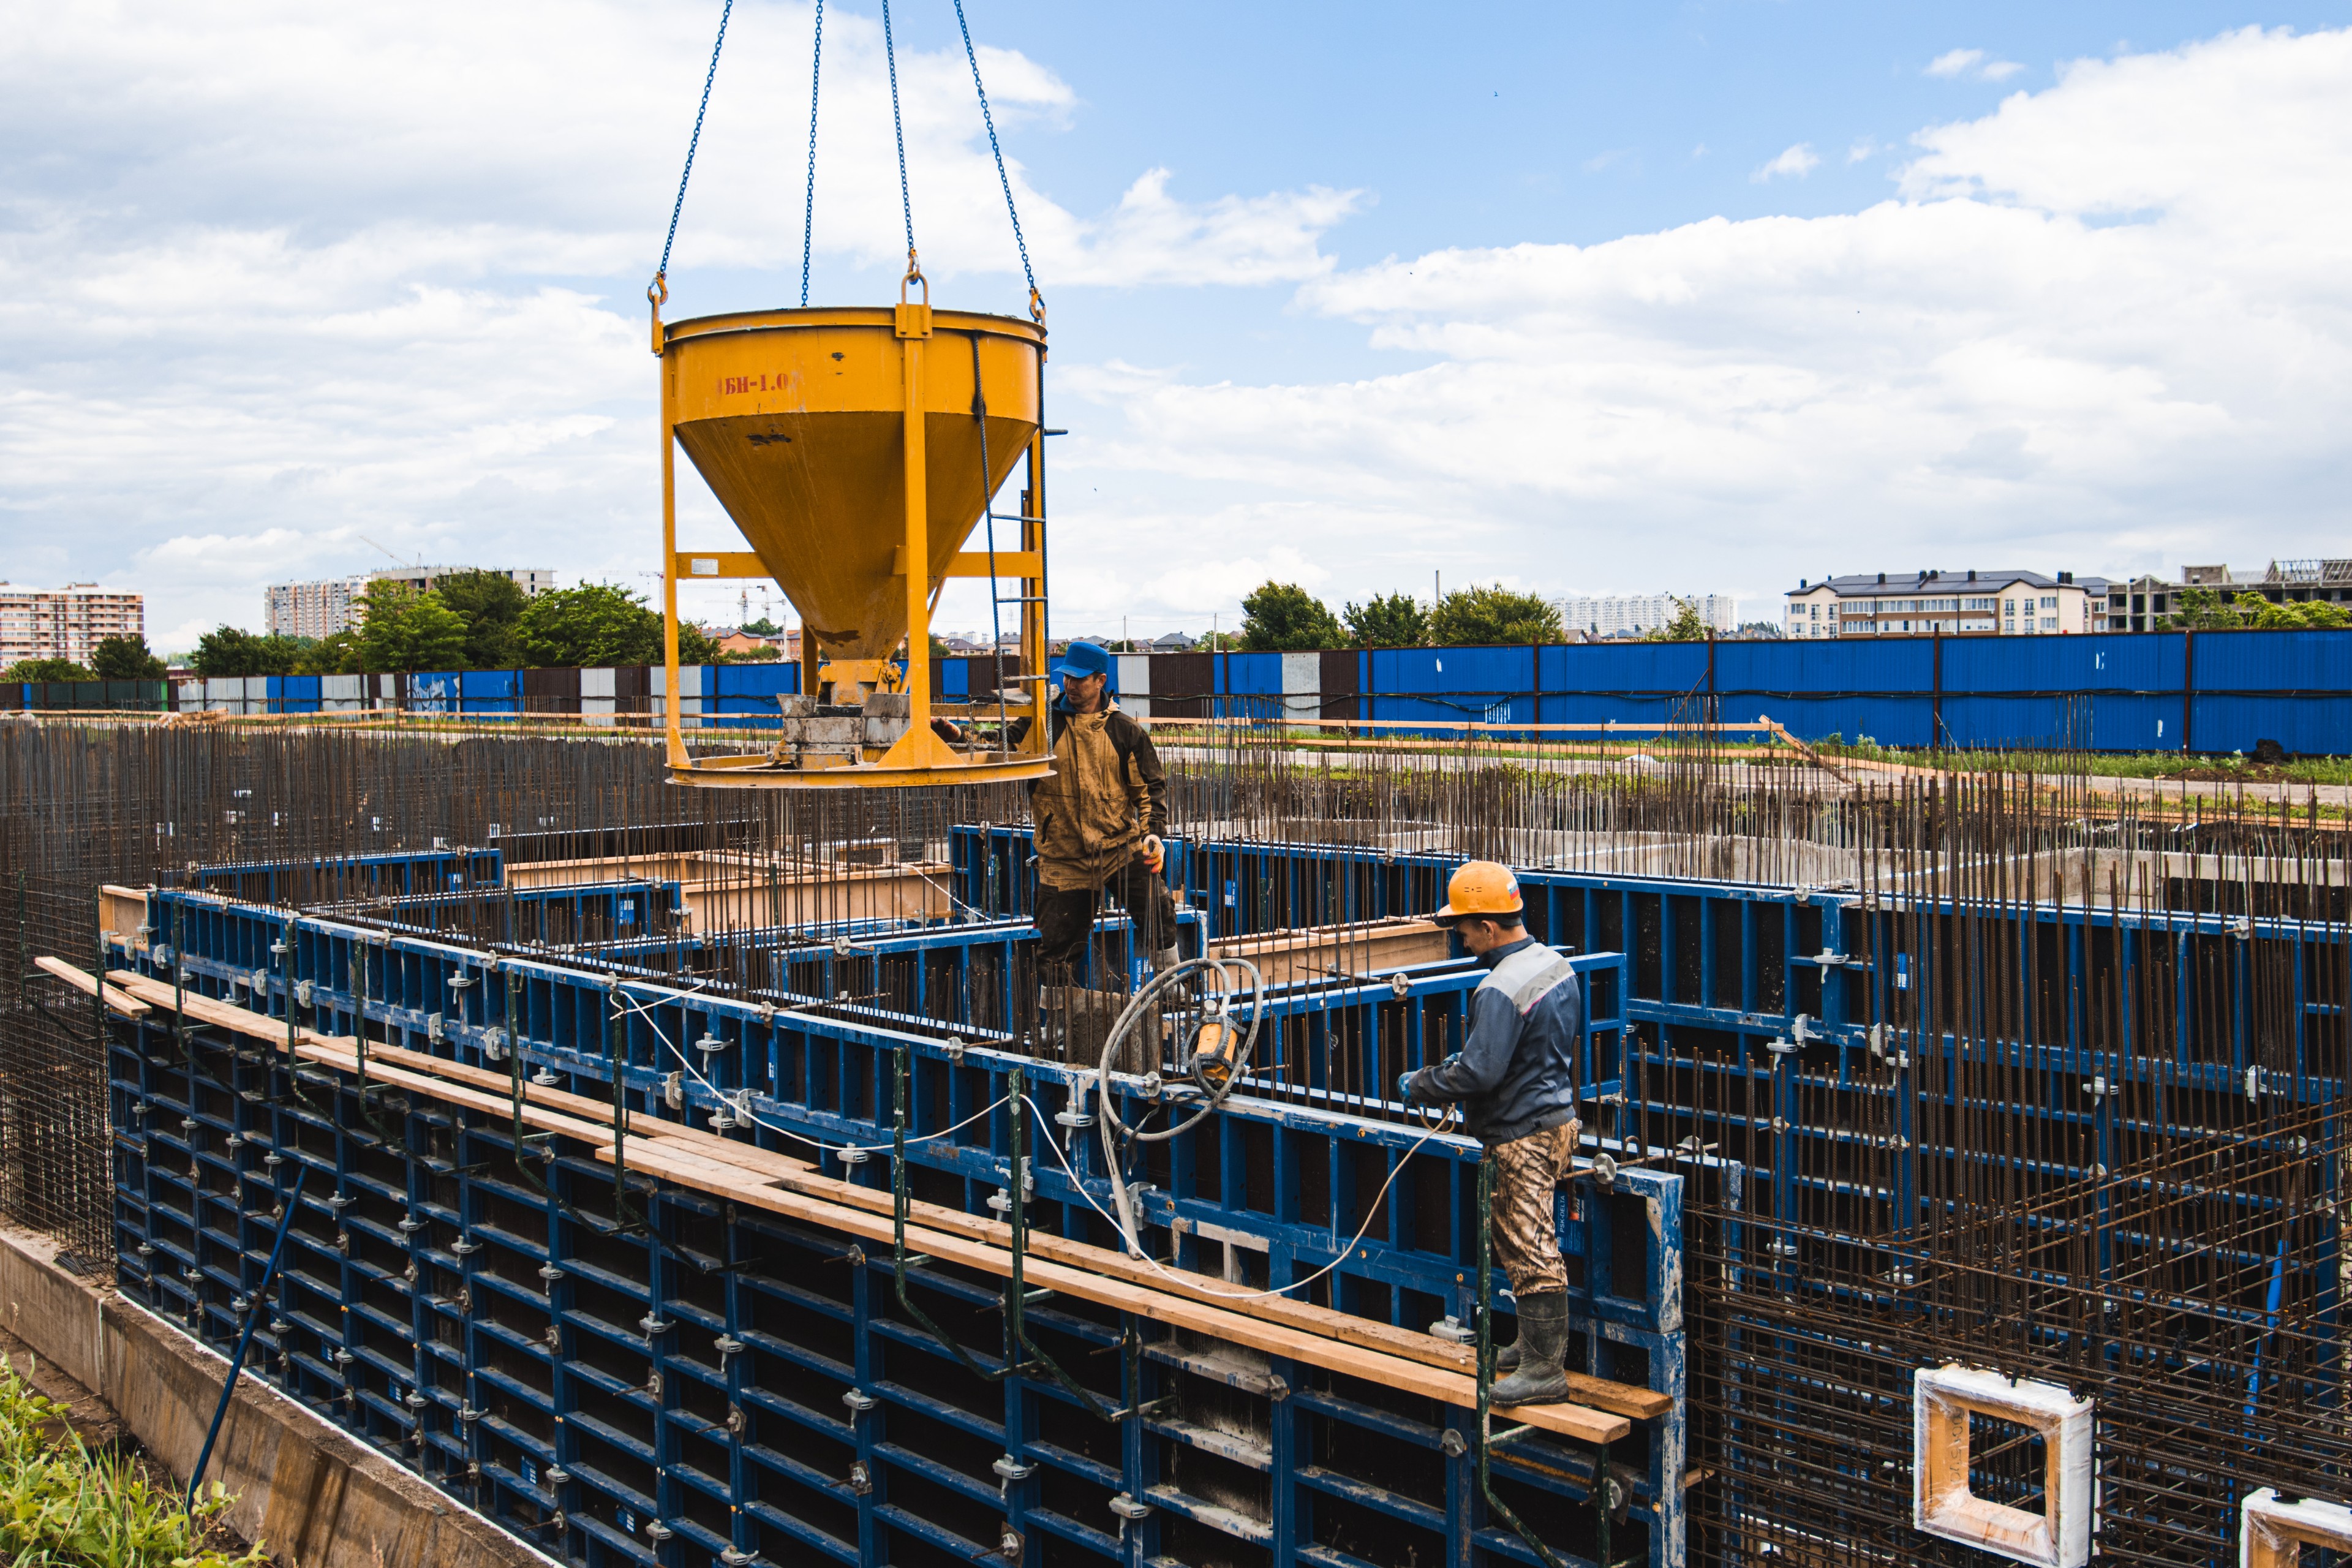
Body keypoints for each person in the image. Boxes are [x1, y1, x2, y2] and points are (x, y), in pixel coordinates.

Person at [1395, 860, 1582, 1406]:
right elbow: (1535, 1049)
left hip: (1522, 1133)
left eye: (1464, 927)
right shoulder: (1554, 964)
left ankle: (1546, 1370)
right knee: (1517, 1237)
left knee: (1530, 1244)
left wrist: (1424, 1082)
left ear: (1490, 927)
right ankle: (1530, 1346)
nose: (1460, 936)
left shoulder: (1499, 986)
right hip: (1555, 1117)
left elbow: (1480, 1073)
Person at [934, 639, 1179, 987]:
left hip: (1119, 848)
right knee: (1057, 945)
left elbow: (1150, 788)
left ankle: (1171, 987)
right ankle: (1059, 1023)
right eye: (1067, 678)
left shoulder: (1124, 730)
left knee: (1158, 911)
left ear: (1100, 681)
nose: (1070, 686)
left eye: (1080, 679)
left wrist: (1153, 834)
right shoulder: (1042, 725)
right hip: (1064, 856)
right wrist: (955, 734)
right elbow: (995, 749)